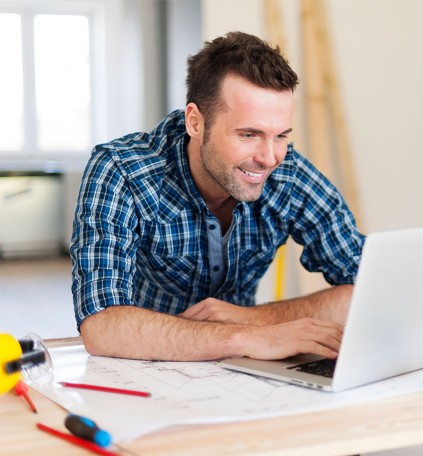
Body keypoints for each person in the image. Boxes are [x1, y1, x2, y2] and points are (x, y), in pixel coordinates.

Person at [70, 31, 365, 362]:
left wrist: (254, 320)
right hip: (145, 364)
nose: (269, 158)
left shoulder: (289, 174)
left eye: (280, 135)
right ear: (195, 122)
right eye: (249, 134)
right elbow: (102, 325)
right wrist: (246, 336)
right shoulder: (121, 170)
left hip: (243, 369)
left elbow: (371, 287)